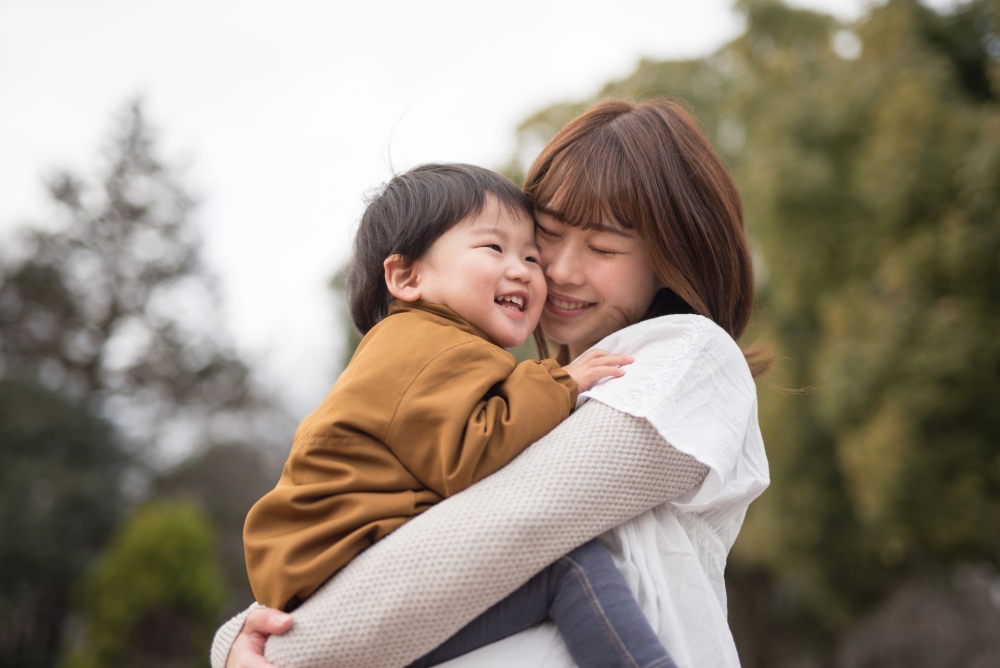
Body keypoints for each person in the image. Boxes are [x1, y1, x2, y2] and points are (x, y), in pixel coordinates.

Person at [213, 98, 770, 668]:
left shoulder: (685, 358)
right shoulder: (489, 373)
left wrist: (278, 648)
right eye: (546, 235)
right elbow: (416, 539)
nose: (555, 270)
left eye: (603, 247)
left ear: (671, 258)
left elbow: (507, 525)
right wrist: (248, 633)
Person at [241, 162, 680, 668]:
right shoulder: (429, 348)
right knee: (570, 564)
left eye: (531, 256)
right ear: (407, 276)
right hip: (348, 571)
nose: (524, 270)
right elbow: (471, 454)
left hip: (345, 572)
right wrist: (561, 381)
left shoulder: (426, 345)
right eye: (494, 248)